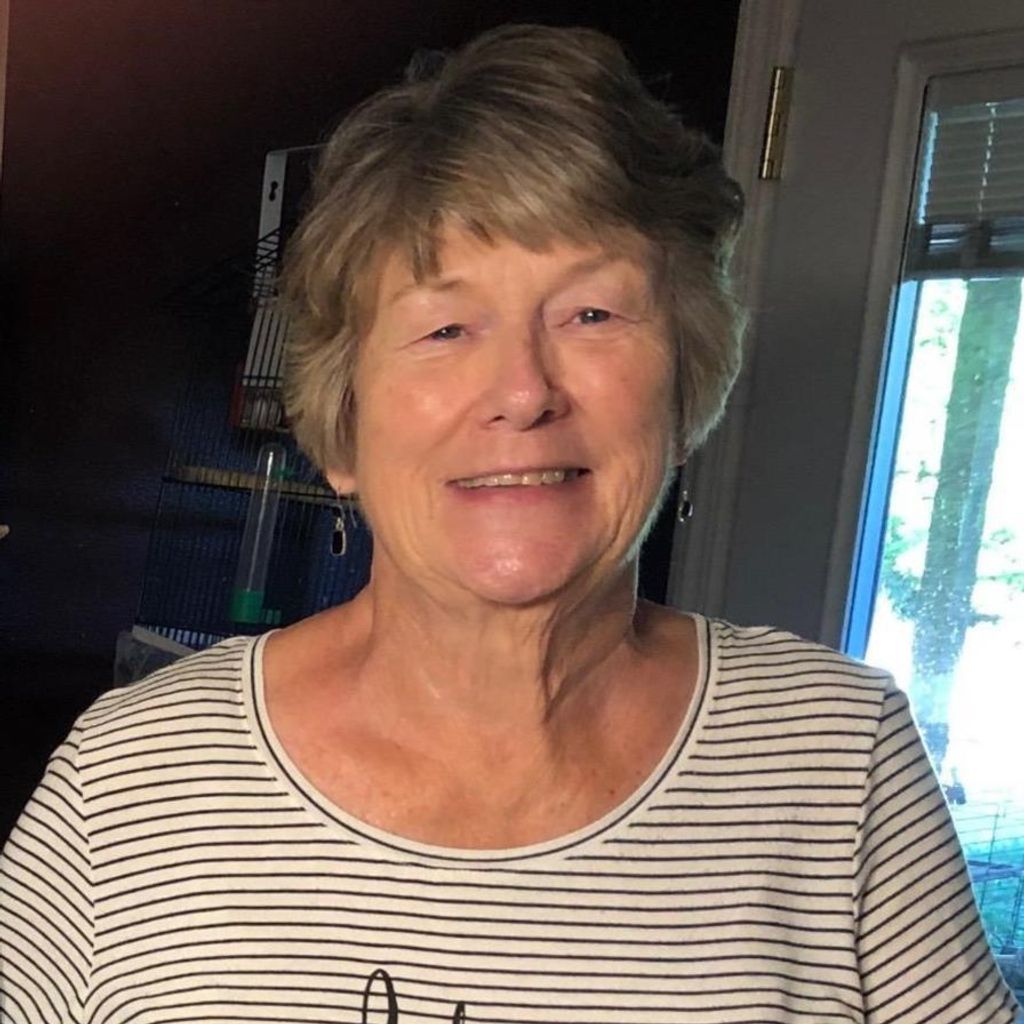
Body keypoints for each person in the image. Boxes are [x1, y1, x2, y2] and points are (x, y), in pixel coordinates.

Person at [1, 23, 1019, 1024]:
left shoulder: (839, 761)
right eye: (445, 327)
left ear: (685, 386)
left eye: (591, 315)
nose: (523, 392)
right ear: (342, 426)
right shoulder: (130, 780)